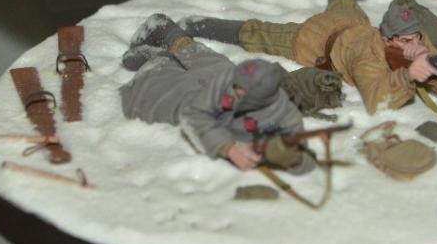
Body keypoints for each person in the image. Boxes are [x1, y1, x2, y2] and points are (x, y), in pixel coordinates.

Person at [181, 0, 437, 115]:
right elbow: (376, 101)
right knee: (260, 33)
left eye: (417, 37)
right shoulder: (366, 58)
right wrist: (408, 75)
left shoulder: (412, 42)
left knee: (343, 2)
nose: (414, 44)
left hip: (352, 20)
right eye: (406, 40)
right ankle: (198, 24)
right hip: (316, 39)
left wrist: (433, 67)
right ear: (387, 39)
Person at [119, 14, 308, 172]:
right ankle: (169, 37)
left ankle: (154, 58)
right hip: (222, 80)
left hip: (183, 95)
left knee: (161, 90)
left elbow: (194, 117)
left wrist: (228, 148)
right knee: (214, 65)